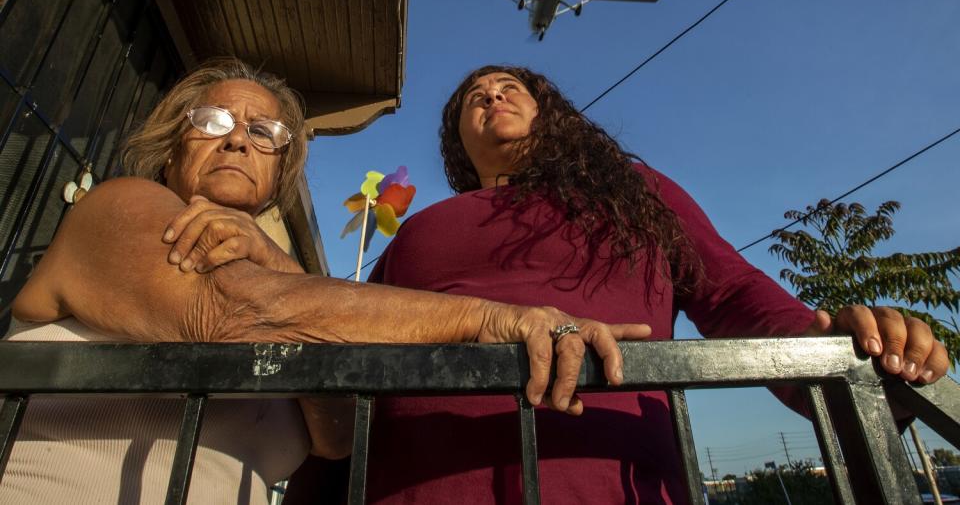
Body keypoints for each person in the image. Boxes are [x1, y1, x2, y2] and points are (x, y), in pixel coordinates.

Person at [286, 64, 949, 504]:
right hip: (419, 486)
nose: (491, 95)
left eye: (509, 86)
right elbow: (354, 353)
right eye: (473, 98)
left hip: (617, 479)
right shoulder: (419, 228)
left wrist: (844, 350)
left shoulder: (635, 190)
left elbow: (733, 293)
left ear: (552, 111)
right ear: (458, 141)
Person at [2, 59, 649, 505]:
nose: (237, 142)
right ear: (172, 145)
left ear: (282, 166)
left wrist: (281, 268)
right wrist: (494, 317)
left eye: (263, 131)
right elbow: (231, 311)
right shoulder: (118, 207)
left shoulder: (285, 287)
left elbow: (335, 433)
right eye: (213, 121)